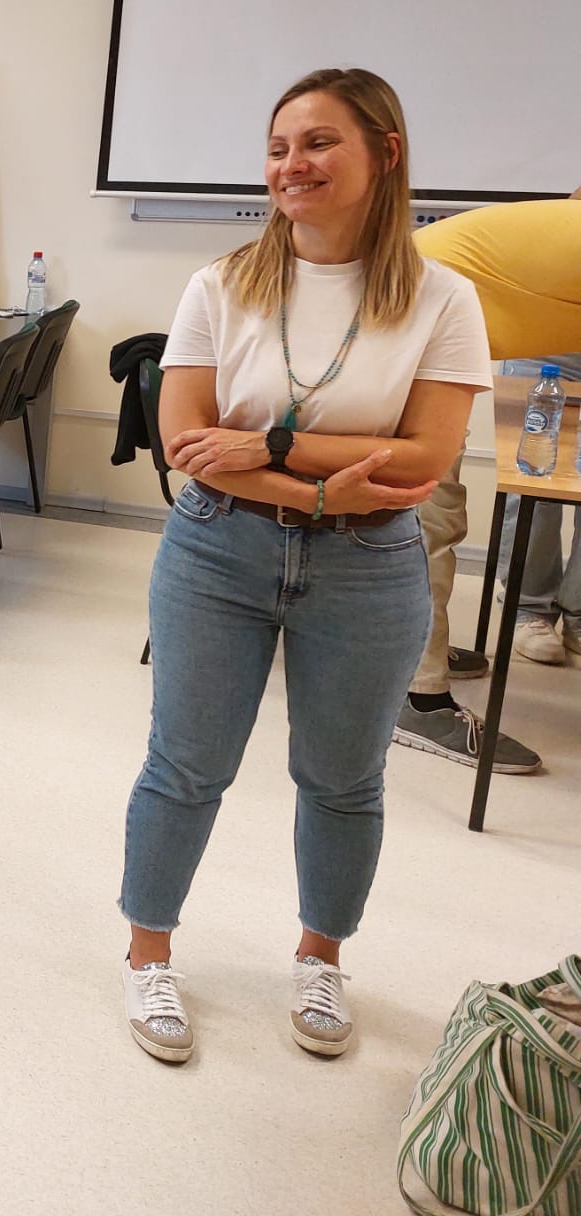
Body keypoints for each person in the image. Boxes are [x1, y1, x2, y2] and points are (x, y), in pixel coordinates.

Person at [118, 68, 488, 1065]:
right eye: (278, 148)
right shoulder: (219, 284)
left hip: (370, 566)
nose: (292, 165)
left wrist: (270, 449)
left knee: (341, 779)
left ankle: (320, 959)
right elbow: (186, 441)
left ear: (385, 154)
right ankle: (147, 956)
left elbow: (423, 458)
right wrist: (327, 490)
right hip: (216, 547)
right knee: (185, 766)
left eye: (319, 143)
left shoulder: (443, 300)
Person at [396, 193, 581, 772]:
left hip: (419, 323)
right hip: (399, 328)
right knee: (425, 518)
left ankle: (405, 648)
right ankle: (418, 697)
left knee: (434, 515)